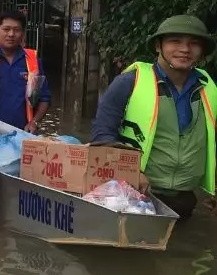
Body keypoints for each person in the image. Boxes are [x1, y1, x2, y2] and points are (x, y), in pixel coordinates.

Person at [91, 15, 217, 220]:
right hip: (132, 196)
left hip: (185, 200)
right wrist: (131, 172)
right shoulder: (129, 82)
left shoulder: (209, 88)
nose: (185, 49)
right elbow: (102, 135)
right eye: (175, 41)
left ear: (202, 51)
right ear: (158, 46)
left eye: (194, 43)